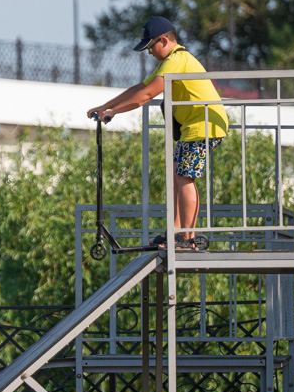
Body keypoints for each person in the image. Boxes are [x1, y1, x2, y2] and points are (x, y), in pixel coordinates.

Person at [87, 16, 229, 250]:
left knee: (185, 178)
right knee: (178, 176)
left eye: (150, 47)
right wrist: (106, 106)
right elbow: (140, 88)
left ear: (163, 40)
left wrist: (114, 112)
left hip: (203, 126)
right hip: (193, 126)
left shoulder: (177, 59)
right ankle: (175, 232)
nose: (149, 53)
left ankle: (187, 238)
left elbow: (146, 95)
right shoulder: (172, 61)